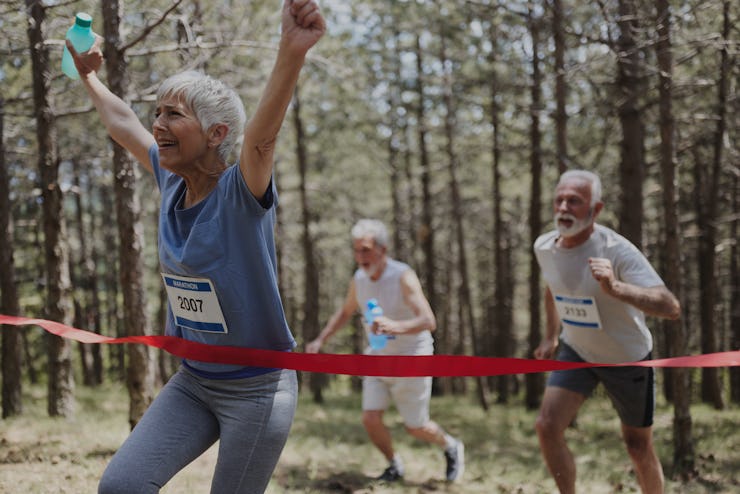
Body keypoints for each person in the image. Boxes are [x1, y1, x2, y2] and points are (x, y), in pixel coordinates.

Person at [67, 2, 325, 493]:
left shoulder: (239, 192)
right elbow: (123, 124)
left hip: (258, 390)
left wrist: (290, 52)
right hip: (194, 382)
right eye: (158, 112)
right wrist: (89, 79)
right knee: (120, 487)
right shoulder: (169, 180)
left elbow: (262, 140)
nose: (158, 123)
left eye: (174, 115)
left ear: (216, 135)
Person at [532, 170, 681, 494]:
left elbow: (670, 306)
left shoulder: (616, 250)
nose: (564, 208)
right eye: (559, 199)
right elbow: (552, 286)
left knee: (637, 447)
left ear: (595, 210)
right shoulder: (544, 246)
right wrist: (550, 335)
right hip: (577, 351)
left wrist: (615, 288)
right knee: (547, 426)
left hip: (625, 358)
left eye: (574, 201)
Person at [306, 219, 465, 483]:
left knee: (415, 427)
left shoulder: (402, 276)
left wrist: (395, 326)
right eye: (356, 251)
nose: (360, 257)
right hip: (379, 357)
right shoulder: (359, 279)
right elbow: (345, 312)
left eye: (366, 250)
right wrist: (320, 340)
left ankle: (450, 445)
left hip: (412, 357)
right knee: (370, 418)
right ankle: (394, 464)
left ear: (382, 249)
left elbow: (428, 321)